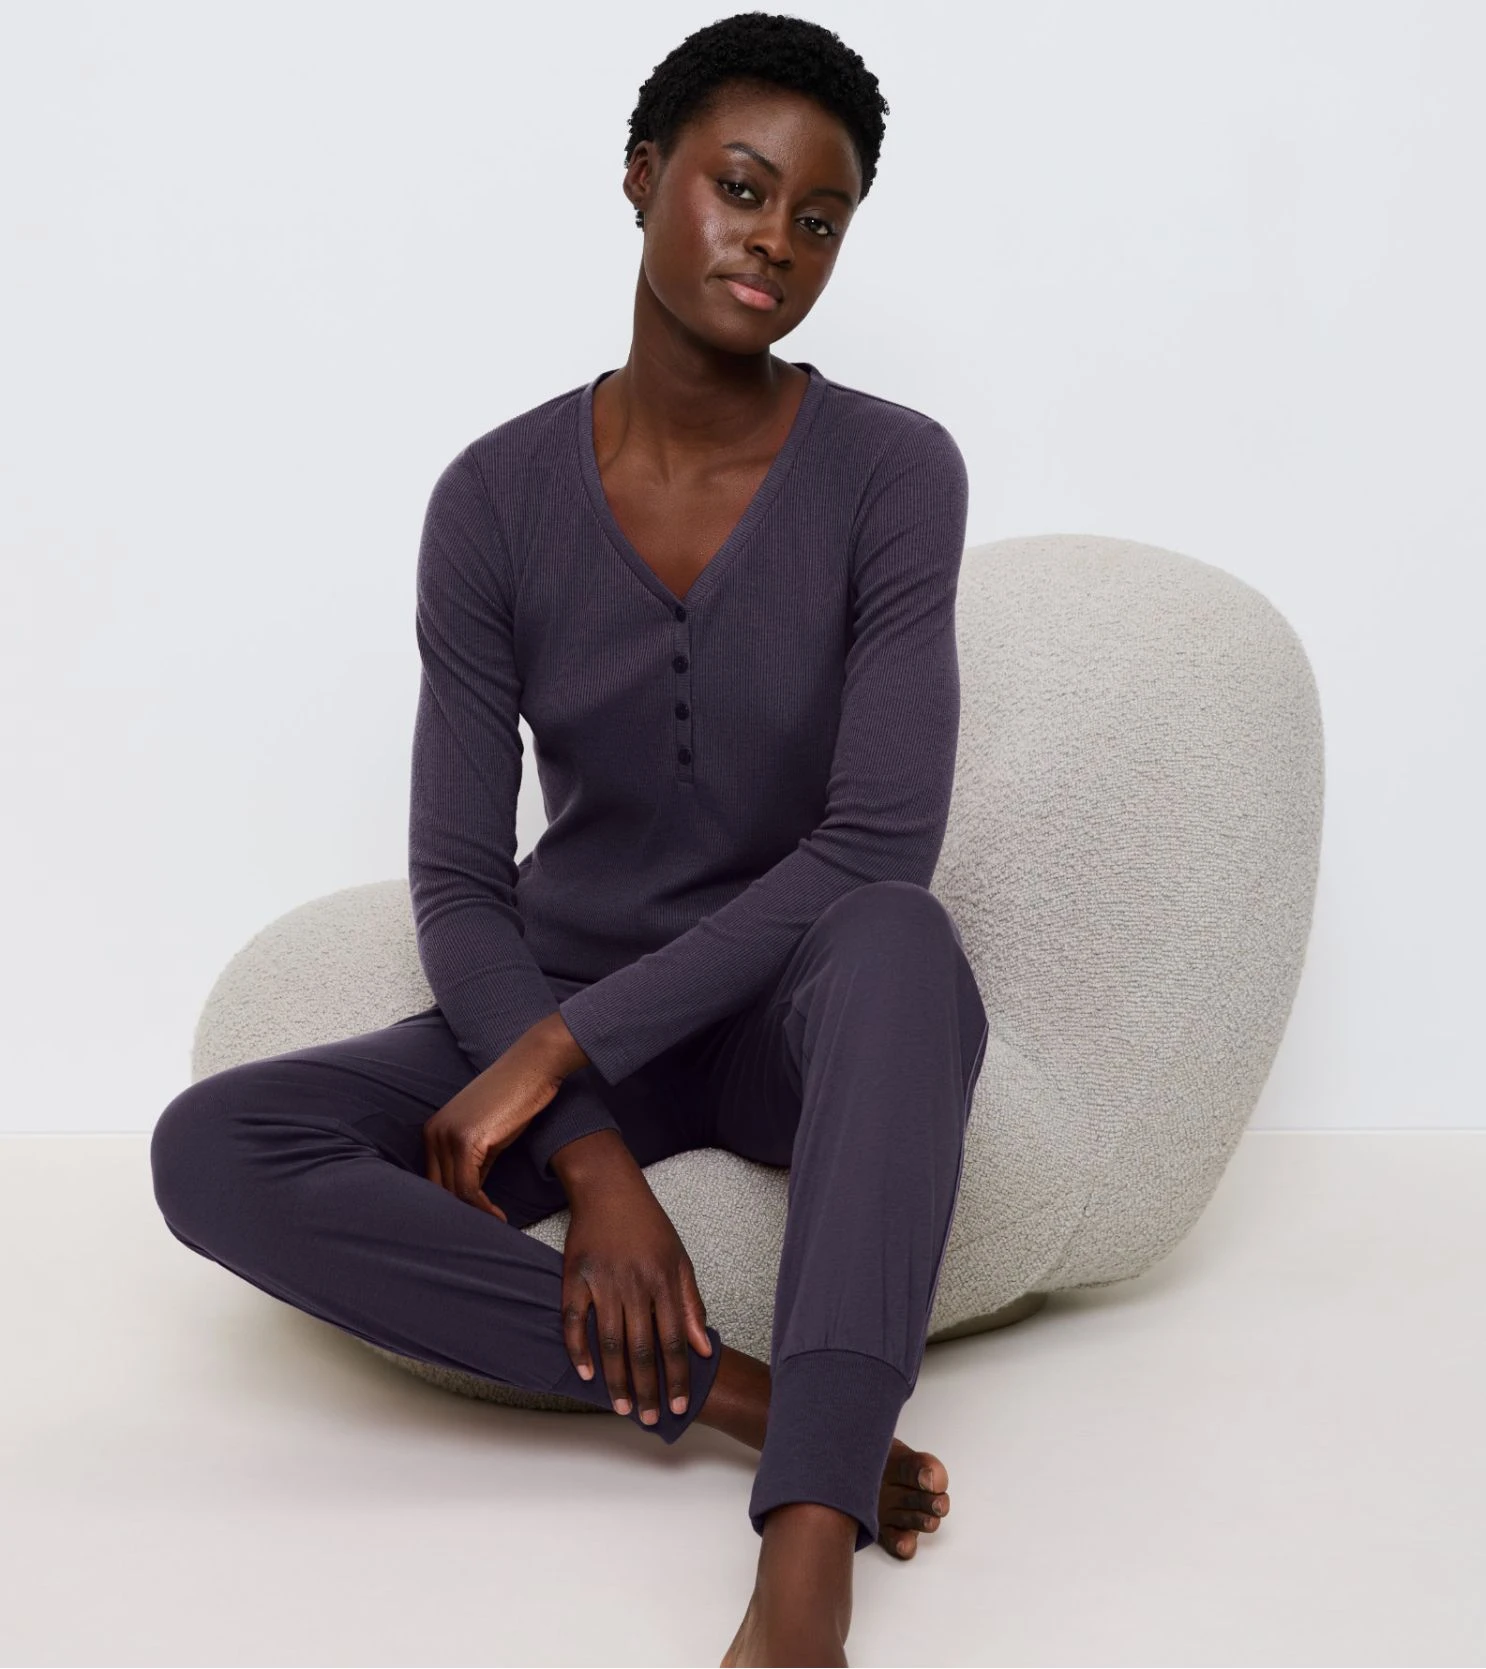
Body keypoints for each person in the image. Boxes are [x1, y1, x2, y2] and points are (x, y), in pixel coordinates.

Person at [149, 12, 989, 1666]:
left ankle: (804, 1571)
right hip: (575, 997)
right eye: (739, 187)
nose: (775, 239)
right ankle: (751, 1401)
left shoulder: (894, 473)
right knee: (215, 1146)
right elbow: (462, 880)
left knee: (907, 943)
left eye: (820, 219)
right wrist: (592, 1155)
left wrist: (553, 1056)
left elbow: (878, 842)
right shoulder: (493, 499)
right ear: (641, 176)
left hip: (789, 1013)